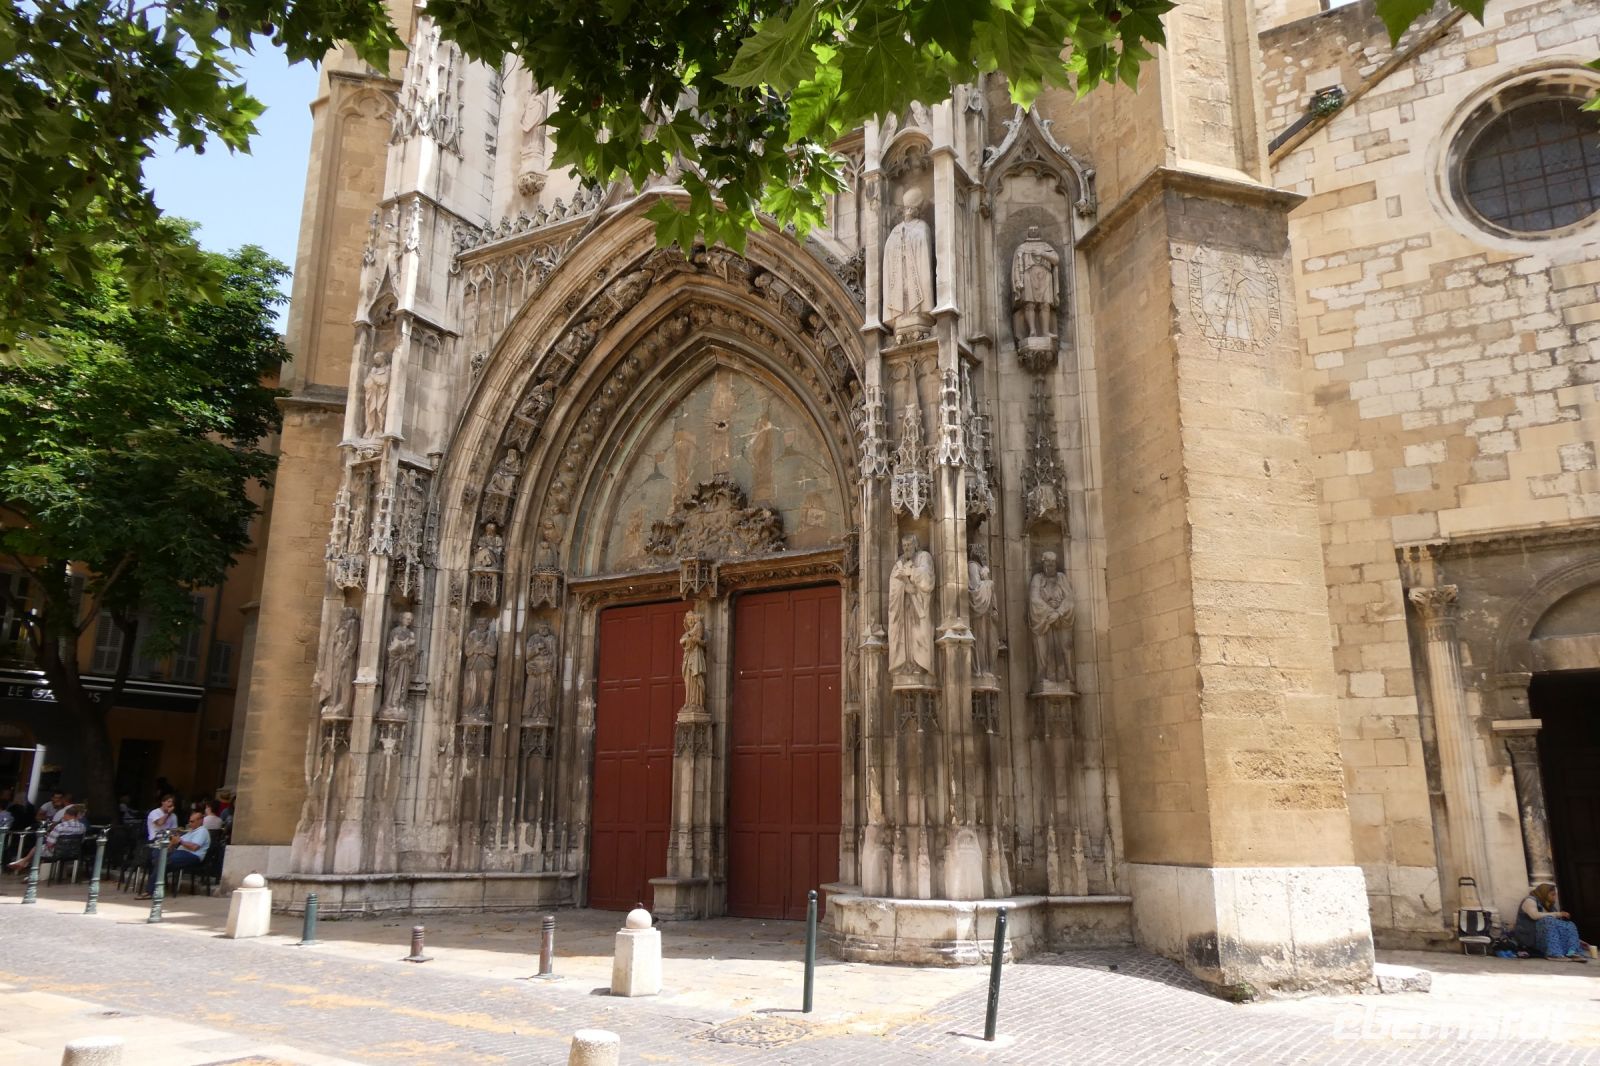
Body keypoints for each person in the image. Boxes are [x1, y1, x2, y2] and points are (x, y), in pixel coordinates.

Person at [137, 809, 209, 898]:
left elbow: (194, 847)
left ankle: (151, 891)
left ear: (200, 821)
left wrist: (180, 841)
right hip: (180, 853)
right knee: (159, 856)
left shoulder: (202, 831)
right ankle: (153, 889)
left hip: (192, 856)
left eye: (192, 821)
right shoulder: (190, 832)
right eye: (189, 821)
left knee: (162, 862)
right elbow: (175, 845)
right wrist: (171, 845)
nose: (190, 823)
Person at [1513, 883, 1588, 961]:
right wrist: (1558, 914)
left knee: (1569, 924)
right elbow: (1534, 915)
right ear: (1544, 893)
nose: (1555, 897)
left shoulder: (1550, 907)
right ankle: (1553, 954)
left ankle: (1572, 952)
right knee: (1548, 920)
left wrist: (1578, 940)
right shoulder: (1530, 900)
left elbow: (1560, 928)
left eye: (1555, 895)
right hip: (1530, 939)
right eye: (1552, 894)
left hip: (1543, 939)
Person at [7, 804, 86, 872]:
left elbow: (49, 844)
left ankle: (25, 863)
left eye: (64, 814)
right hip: (74, 852)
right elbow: (81, 841)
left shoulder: (60, 826)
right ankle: (25, 863)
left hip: (57, 852)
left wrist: (48, 836)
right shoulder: (82, 827)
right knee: (41, 848)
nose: (63, 816)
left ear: (68, 815)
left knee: (38, 847)